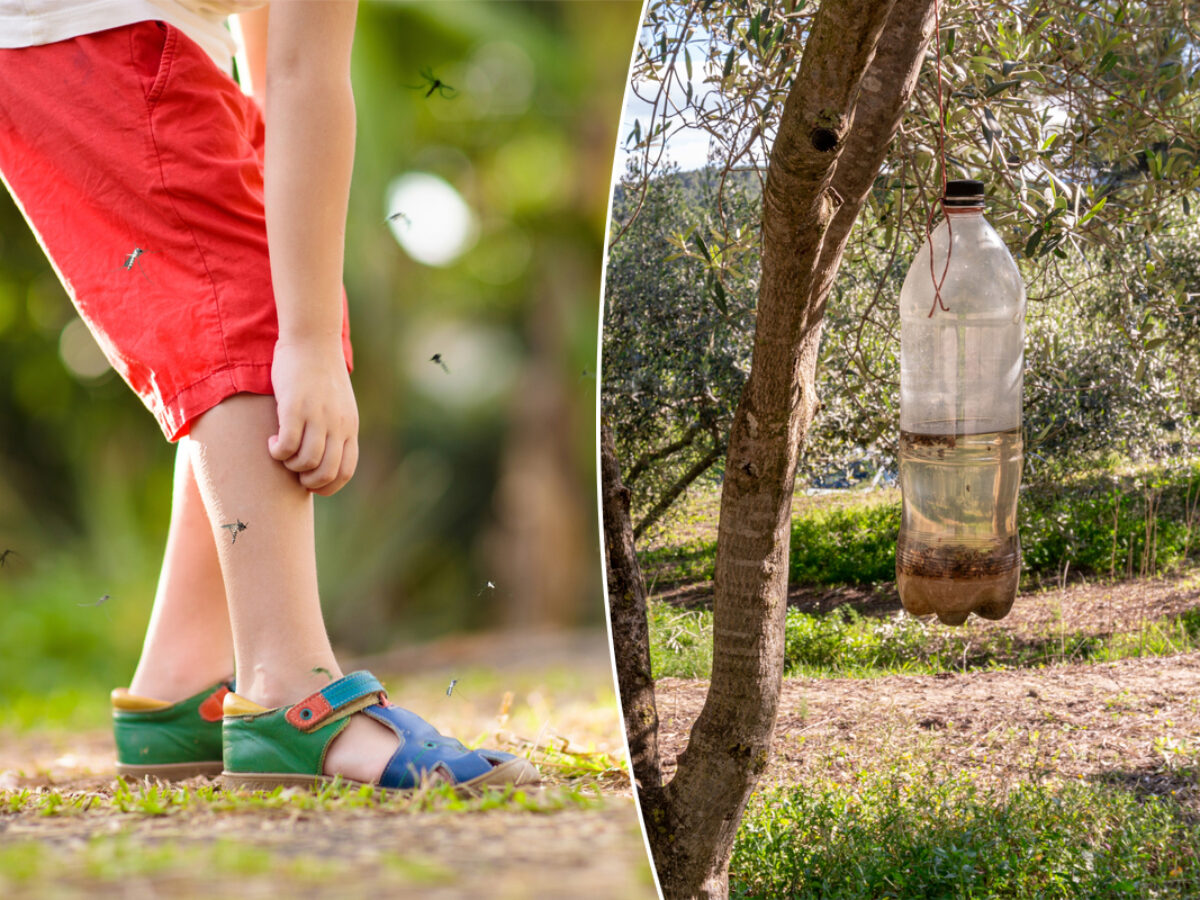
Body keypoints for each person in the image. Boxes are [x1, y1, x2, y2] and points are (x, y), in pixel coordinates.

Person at [0, 0, 536, 792]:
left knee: (277, 281)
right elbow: (301, 73)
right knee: (252, 306)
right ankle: (290, 689)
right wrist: (307, 345)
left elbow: (275, 72)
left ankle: (181, 683)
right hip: (87, 30)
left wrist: (311, 329)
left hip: (115, 32)